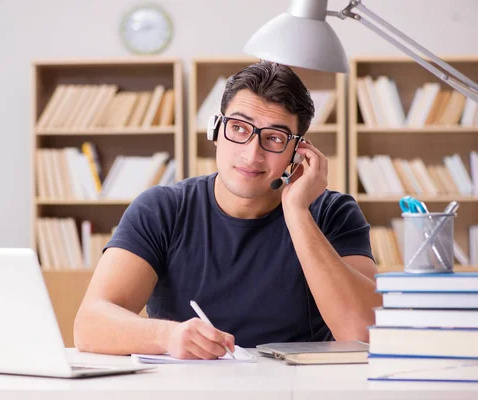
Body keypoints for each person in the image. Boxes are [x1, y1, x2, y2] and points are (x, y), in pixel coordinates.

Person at [74, 61, 382, 360]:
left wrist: (298, 213)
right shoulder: (161, 209)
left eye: (274, 138)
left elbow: (364, 335)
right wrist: (166, 337)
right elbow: (89, 325)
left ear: (298, 153)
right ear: (216, 131)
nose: (252, 154)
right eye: (238, 128)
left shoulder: (334, 213)